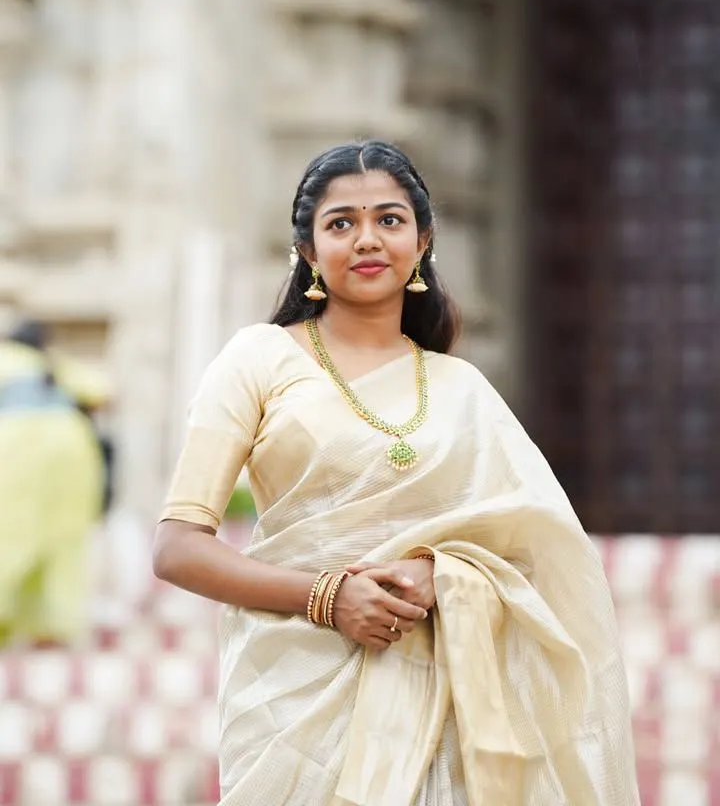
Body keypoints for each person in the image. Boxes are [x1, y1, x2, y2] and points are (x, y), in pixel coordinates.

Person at [154, 141, 639, 805]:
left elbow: (542, 550)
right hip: (297, 698)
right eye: (341, 223)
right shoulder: (258, 359)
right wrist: (328, 596)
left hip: (444, 685)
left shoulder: (460, 387)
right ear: (306, 249)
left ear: (422, 240)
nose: (367, 239)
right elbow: (178, 549)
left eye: (388, 219)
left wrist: (443, 573)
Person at [0, 321, 105, 646]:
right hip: (72, 446)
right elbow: (101, 392)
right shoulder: (53, 365)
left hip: (13, 446)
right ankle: (52, 628)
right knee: (64, 542)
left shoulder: (8, 359)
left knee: (9, 535)